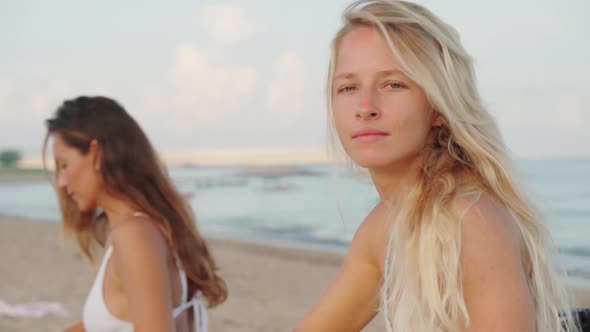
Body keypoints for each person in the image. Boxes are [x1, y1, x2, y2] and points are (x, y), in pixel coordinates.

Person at [295, 1, 579, 331]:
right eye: (348, 87)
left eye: (393, 84)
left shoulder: (471, 222)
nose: (365, 107)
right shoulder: (384, 227)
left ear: (438, 107)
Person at [43, 96, 227, 332]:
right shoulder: (147, 228)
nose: (61, 182)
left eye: (64, 165)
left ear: (96, 153)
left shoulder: (134, 235)